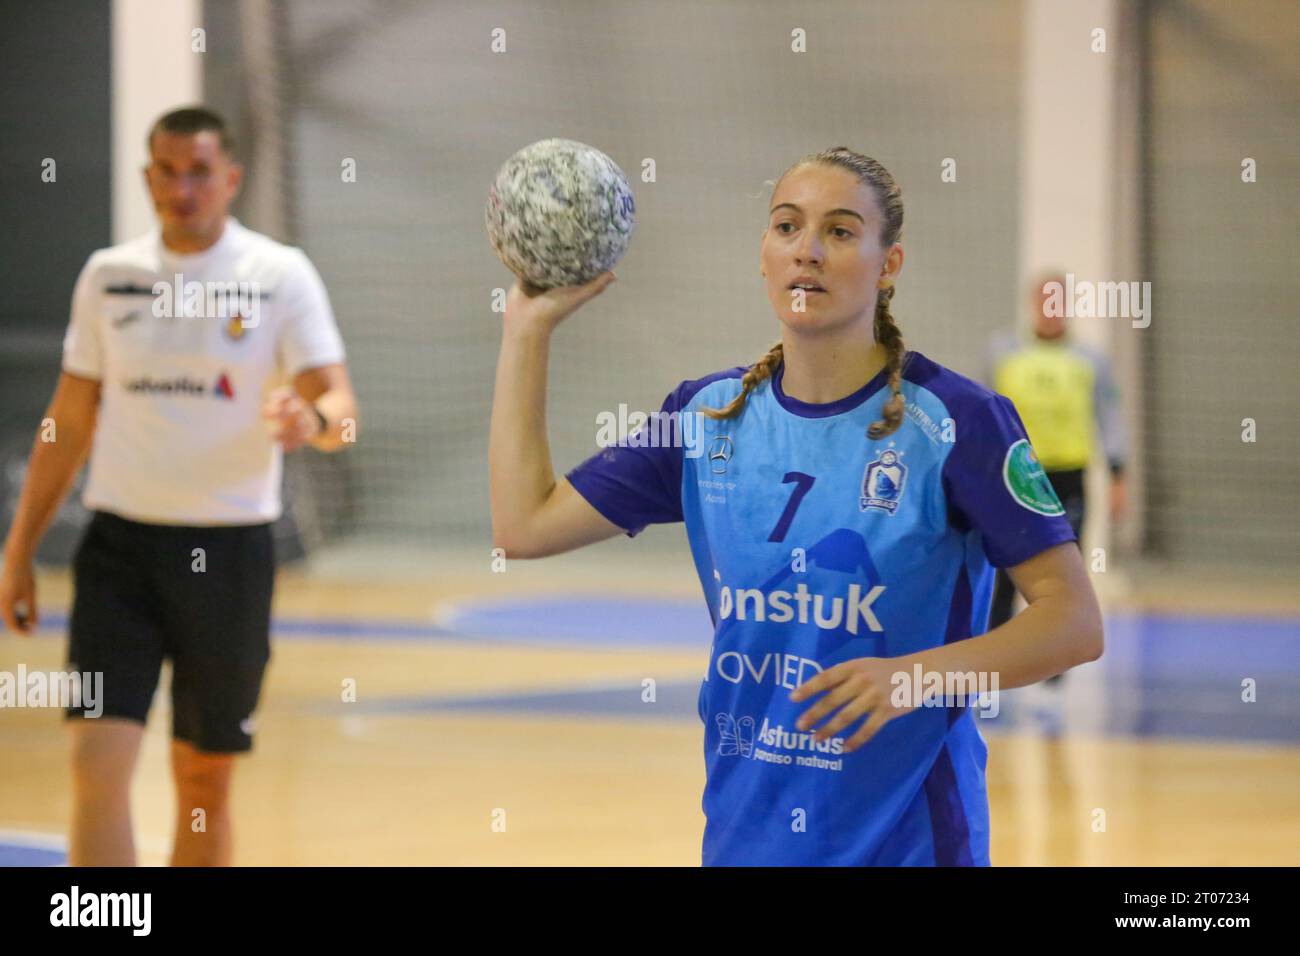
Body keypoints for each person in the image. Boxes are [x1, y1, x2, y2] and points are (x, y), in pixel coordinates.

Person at [489, 147, 1102, 866]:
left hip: (907, 848)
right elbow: (523, 525)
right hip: (744, 839)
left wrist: (915, 677)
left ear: (889, 263)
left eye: (840, 232)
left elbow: (1074, 621)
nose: (807, 251)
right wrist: (525, 331)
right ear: (763, 253)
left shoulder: (959, 422)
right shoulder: (705, 417)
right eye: (787, 227)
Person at [0, 107, 358, 866]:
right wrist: (20, 548)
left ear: (230, 178)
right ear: (147, 178)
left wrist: (312, 420)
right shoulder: (109, 277)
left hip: (229, 558)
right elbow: (66, 422)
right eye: (168, 170)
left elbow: (342, 412)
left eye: (200, 171)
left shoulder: (278, 274)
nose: (183, 187)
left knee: (203, 782)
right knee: (96, 763)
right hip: (119, 553)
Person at [985, 273, 1128, 645]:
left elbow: (1109, 416)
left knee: (1065, 567)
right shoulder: (1005, 353)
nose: (1051, 309)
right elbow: (981, 414)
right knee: (1004, 565)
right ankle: (997, 649)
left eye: (1058, 300)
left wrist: (1117, 477)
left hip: (1067, 478)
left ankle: (1056, 652)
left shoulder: (1089, 360)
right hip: (1015, 476)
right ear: (1033, 304)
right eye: (1044, 300)